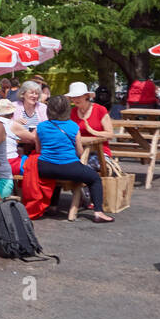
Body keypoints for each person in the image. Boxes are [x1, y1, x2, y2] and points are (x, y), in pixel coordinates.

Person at [36, 95, 114, 223]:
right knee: (94, 178)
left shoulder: (41, 126)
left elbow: (39, 150)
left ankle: (53, 206)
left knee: (55, 177)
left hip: (45, 167)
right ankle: (98, 212)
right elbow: (80, 151)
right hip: (68, 167)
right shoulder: (73, 126)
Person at [68, 80, 113, 167]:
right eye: (73, 97)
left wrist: (92, 131)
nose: (75, 99)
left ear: (86, 96)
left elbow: (110, 135)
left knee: (84, 168)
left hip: (100, 152)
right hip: (78, 151)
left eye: (78, 96)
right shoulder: (72, 112)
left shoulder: (100, 110)